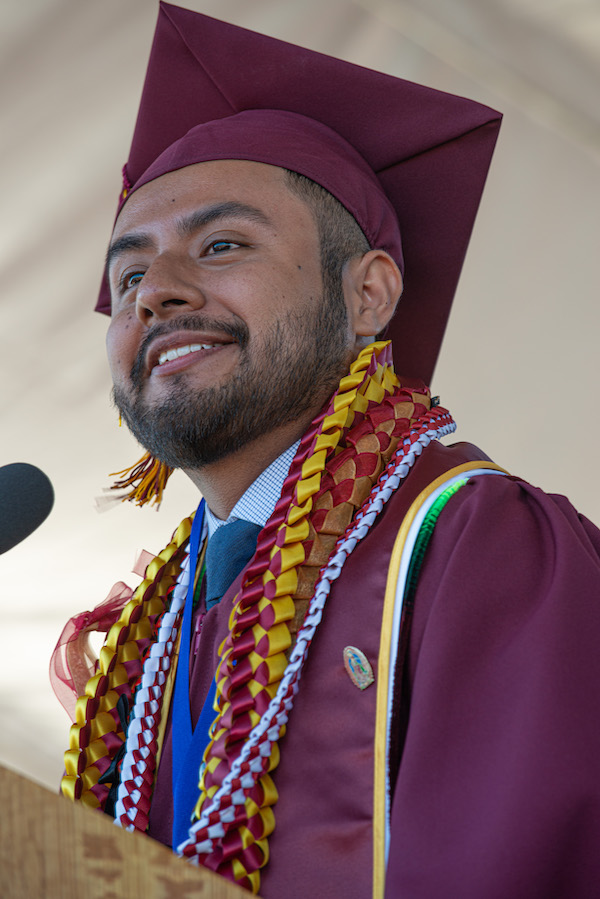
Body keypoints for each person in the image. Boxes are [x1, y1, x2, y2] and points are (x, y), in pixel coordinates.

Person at [55, 4, 600, 897]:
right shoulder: (150, 639)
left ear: (371, 293)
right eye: (128, 275)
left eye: (222, 244)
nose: (154, 295)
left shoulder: (480, 542)